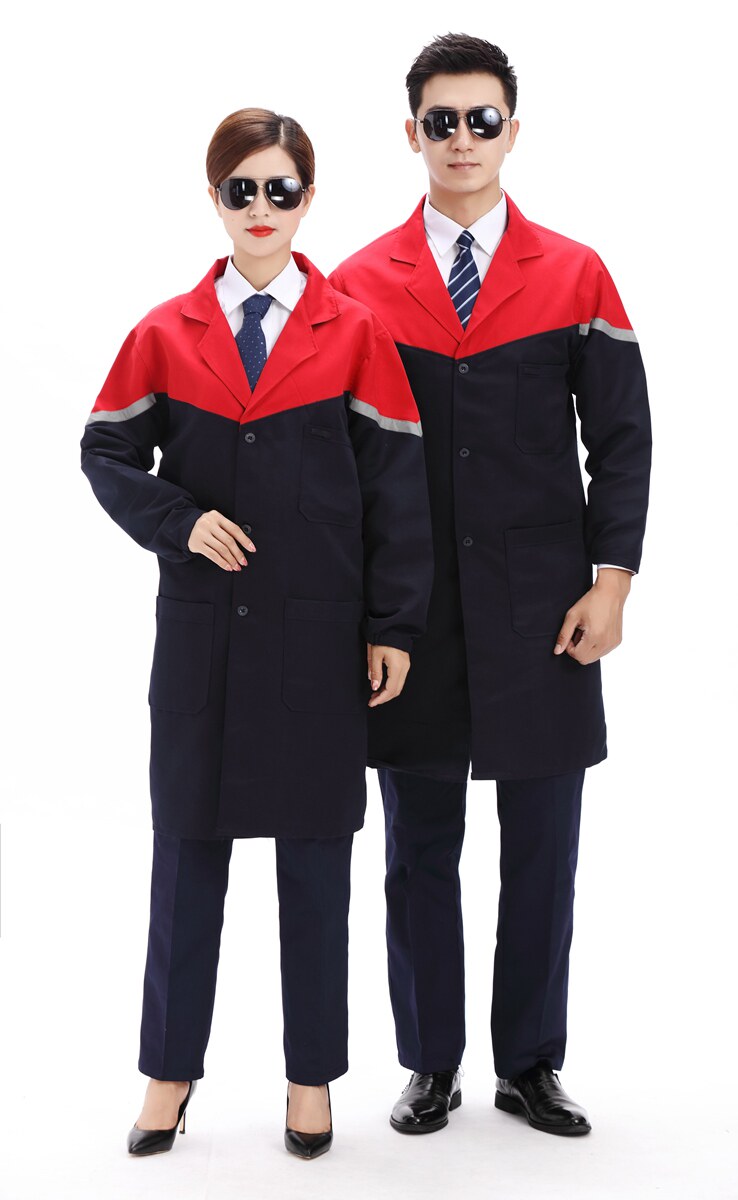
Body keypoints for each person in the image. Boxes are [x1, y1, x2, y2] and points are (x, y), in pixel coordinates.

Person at [80, 107, 433, 1160]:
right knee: (186, 861)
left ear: (308, 198)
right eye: (243, 189)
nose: (263, 208)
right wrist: (178, 521)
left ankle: (310, 1077)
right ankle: (169, 1072)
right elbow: (104, 452)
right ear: (215, 199)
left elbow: (398, 494)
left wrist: (394, 626)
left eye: (282, 189)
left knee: (316, 869)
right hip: (201, 646)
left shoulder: (354, 332)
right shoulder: (165, 331)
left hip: (319, 647)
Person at [329, 34, 651, 1137]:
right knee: (417, 849)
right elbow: (339, 462)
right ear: (410, 133)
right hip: (410, 617)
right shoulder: (359, 284)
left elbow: (620, 438)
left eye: (481, 119)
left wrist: (611, 583)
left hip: (544, 611)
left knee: (542, 852)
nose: (461, 138)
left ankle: (529, 1063)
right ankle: (430, 1062)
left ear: (512, 131)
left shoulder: (574, 274)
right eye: (441, 120)